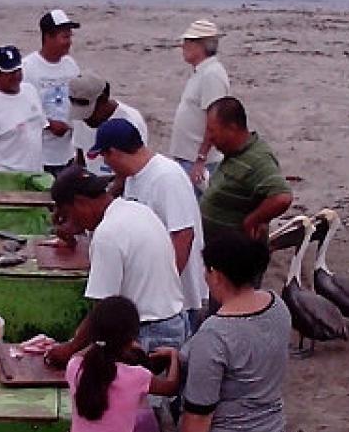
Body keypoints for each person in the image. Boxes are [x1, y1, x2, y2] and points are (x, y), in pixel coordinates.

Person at [45, 166, 186, 367]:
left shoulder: (107, 235)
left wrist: (70, 348)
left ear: (80, 203)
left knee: (135, 397)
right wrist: (73, 230)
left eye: (68, 213)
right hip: (173, 322)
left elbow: (103, 310)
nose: (68, 220)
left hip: (147, 335)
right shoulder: (136, 210)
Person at [177, 232, 290, 432]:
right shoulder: (277, 305)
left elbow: (199, 414)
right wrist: (182, 356)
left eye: (206, 271)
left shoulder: (214, 334)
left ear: (216, 275)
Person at [89, 118, 209, 332]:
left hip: (176, 301)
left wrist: (165, 286)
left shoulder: (167, 177)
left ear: (113, 152)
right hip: (152, 300)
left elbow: (183, 236)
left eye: (105, 157)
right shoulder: (134, 177)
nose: (108, 165)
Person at [60, 296, 179, 432]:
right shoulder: (137, 377)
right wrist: (173, 356)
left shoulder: (75, 368)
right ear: (132, 337)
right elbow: (170, 387)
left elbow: (89, 353)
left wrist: (98, 342)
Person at [200, 97, 292, 245]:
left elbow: (282, 197)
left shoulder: (258, 159)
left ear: (232, 128)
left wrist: (253, 220)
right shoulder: (233, 154)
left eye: (212, 130)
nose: (209, 137)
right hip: (217, 250)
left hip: (237, 256)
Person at [169, 20, 231, 197]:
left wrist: (201, 159)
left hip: (199, 161)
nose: (183, 46)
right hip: (189, 158)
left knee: (197, 209)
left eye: (188, 42)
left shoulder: (212, 75)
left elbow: (215, 120)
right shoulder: (202, 72)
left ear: (201, 45)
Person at [23, 9, 82, 176]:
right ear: (48, 37)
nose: (69, 42)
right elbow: (20, 106)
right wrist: (48, 124)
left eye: (70, 36)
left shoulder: (71, 65)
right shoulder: (28, 67)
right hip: (39, 155)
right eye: (64, 36)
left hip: (67, 153)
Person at [68, 72, 148, 177]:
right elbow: (80, 159)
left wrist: (109, 192)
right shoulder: (80, 117)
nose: (85, 120)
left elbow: (136, 167)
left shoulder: (130, 122)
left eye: (89, 114)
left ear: (102, 99)